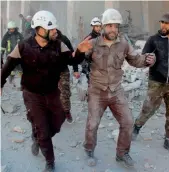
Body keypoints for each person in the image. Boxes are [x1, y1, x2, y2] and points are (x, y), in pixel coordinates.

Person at [1, 10, 92, 172]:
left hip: (52, 92)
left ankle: (37, 137)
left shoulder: (59, 44)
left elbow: (72, 60)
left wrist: (80, 51)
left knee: (57, 122)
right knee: (42, 127)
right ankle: (50, 161)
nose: (55, 31)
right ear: (40, 29)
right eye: (52, 29)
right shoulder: (23, 46)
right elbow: (8, 65)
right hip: (32, 93)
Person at [83, 9, 156, 168]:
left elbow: (135, 60)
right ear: (102, 27)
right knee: (93, 124)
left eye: (116, 26)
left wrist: (147, 60)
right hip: (97, 91)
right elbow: (79, 59)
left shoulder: (124, 43)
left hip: (116, 91)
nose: (113, 29)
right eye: (109, 26)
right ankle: (89, 149)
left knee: (128, 122)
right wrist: (80, 53)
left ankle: (122, 153)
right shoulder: (93, 43)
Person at [132, 13, 169, 156]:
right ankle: (136, 127)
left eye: (167, 23)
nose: (163, 25)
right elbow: (142, 58)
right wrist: (147, 60)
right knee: (148, 109)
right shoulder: (153, 40)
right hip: (156, 82)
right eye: (162, 22)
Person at [56, 29, 80, 123]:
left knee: (65, 93)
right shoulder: (43, 40)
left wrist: (75, 69)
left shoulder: (63, 39)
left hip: (62, 70)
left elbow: (72, 54)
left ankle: (66, 111)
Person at [81, 17, 102, 81]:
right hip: (90, 65)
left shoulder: (101, 38)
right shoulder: (89, 38)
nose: (98, 28)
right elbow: (84, 53)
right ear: (93, 27)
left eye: (99, 26)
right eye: (96, 26)